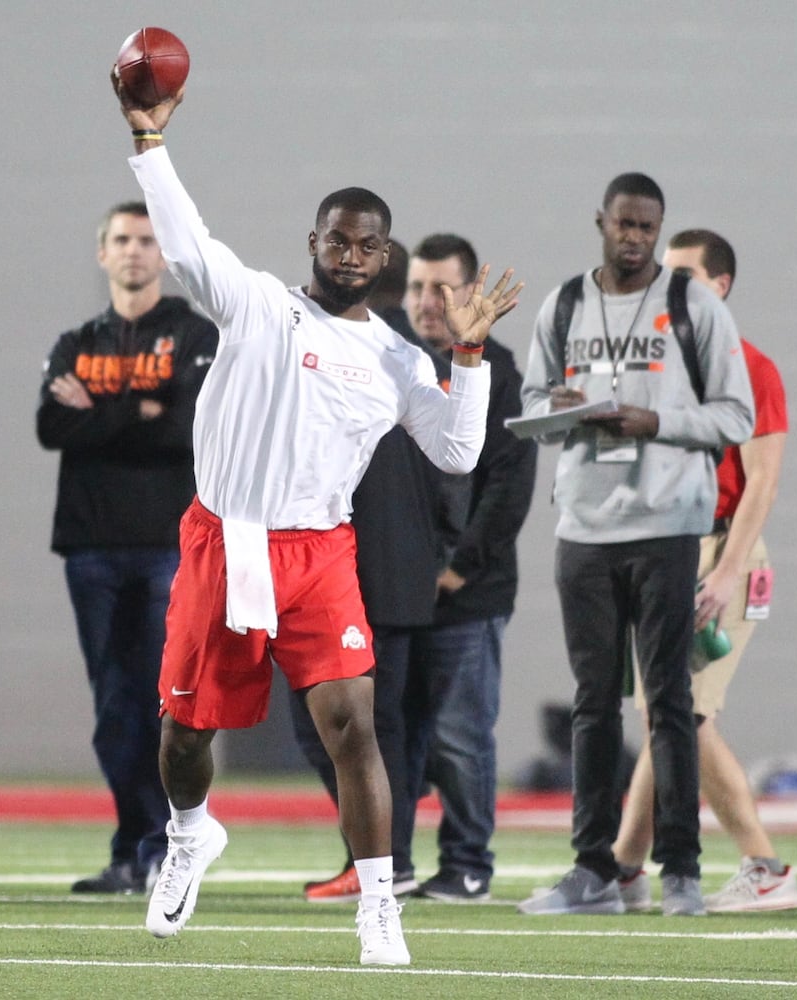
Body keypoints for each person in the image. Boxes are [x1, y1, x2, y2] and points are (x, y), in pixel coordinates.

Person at [113, 74, 522, 966]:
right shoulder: (257, 301)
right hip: (225, 539)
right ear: (315, 242)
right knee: (186, 734)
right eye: (338, 239)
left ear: (386, 259)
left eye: (367, 245)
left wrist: (472, 354)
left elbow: (457, 451)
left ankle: (380, 907)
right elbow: (186, 241)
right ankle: (189, 836)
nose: (351, 254)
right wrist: (150, 143)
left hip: (321, 551)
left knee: (353, 725)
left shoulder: (396, 357)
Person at [517, 173, 753, 917]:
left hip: (667, 525)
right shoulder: (563, 304)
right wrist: (559, 411)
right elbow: (528, 407)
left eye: (647, 228)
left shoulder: (693, 307)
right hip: (584, 525)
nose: (635, 238)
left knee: (670, 703)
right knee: (592, 704)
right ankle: (594, 871)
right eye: (623, 224)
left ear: (659, 228)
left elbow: (736, 416)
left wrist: (656, 421)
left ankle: (680, 867)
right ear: (601, 222)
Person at [611, 228, 797, 913]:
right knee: (664, 714)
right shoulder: (661, 365)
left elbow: (762, 484)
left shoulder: (752, 367)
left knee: (683, 714)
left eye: (685, 275)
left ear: (719, 286)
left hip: (724, 552)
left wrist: (725, 574)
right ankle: (625, 871)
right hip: (667, 547)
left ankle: (765, 865)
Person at [37, 200, 217, 895]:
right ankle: (131, 844)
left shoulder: (193, 332)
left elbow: (184, 429)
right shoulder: (75, 340)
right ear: (102, 253)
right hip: (91, 546)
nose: (135, 251)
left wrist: (100, 412)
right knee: (113, 704)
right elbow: (51, 425)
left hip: (170, 544)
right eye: (121, 239)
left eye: (146, 239)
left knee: (163, 701)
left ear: (163, 255)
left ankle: (163, 846)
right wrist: (141, 409)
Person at [290, 236, 447, 902]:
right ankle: (384, 857)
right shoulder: (416, 360)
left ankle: (388, 860)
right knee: (380, 728)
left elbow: (464, 466)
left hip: (360, 567)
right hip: (392, 570)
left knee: (361, 728)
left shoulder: (391, 358)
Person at [402, 233, 537, 902]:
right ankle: (383, 862)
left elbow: (509, 483)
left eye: (442, 289)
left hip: (465, 592)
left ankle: (467, 864)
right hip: (395, 589)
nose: (428, 302)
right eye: (417, 288)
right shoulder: (393, 361)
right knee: (393, 734)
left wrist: (457, 568)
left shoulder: (500, 372)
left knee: (458, 735)